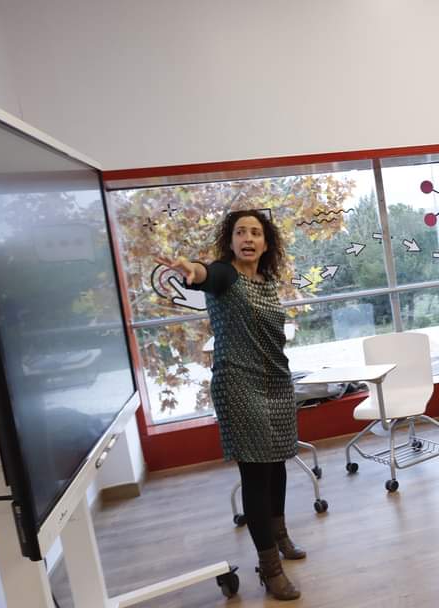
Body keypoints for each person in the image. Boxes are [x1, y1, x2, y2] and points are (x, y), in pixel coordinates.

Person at [157, 210, 304, 601]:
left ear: (266, 243)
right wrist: (191, 268)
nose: (248, 237)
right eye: (241, 232)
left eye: (256, 232)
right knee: (256, 473)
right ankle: (269, 569)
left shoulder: (267, 283)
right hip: (239, 384)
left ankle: (281, 536)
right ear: (232, 240)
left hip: (275, 380)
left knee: (277, 463)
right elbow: (206, 274)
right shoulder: (226, 275)